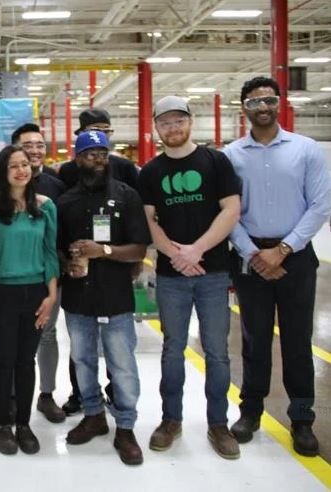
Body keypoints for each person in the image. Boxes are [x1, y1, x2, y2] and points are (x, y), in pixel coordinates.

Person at [223, 76, 331, 457]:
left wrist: (283, 249)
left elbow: (320, 205)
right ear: (244, 109)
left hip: (295, 258)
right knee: (253, 339)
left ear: (279, 102)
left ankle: (301, 419)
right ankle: (250, 411)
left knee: (297, 340)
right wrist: (254, 252)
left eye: (268, 100)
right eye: (254, 102)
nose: (263, 107)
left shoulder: (306, 150)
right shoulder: (231, 155)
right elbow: (228, 211)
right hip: (250, 257)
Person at [138, 96, 242, 460]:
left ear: (190, 121)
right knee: (172, 349)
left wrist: (196, 250)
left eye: (178, 120)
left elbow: (231, 209)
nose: (172, 128)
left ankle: (218, 424)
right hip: (171, 276)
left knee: (217, 352)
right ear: (156, 127)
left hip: (213, 273)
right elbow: (149, 221)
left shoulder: (216, 161)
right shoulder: (150, 172)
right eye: (165, 122)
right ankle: (171, 420)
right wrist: (176, 255)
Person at [59, 131, 150, 465]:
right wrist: (67, 263)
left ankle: (125, 427)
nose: (98, 160)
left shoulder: (127, 196)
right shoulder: (66, 202)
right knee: (83, 360)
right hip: (78, 297)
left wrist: (104, 251)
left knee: (122, 364)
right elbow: (55, 247)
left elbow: (139, 249)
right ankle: (94, 415)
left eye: (103, 153)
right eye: (90, 154)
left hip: (116, 297)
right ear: (77, 159)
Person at [0, 144, 59, 455]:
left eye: (25, 164)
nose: (21, 170)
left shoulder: (45, 206)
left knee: (26, 361)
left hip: (36, 293)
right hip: (1, 294)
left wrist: (51, 294)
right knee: (5, 360)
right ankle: (3, 424)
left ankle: (23, 424)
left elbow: (50, 252)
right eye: (13, 166)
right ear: (2, 172)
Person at [10, 123, 66, 423]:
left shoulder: (56, 186)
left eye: (39, 145)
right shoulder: (1, 188)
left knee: (47, 334)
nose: (34, 150)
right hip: (12, 278)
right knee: (15, 338)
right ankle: (12, 394)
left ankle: (46, 394)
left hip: (48, 275)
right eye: (27, 145)